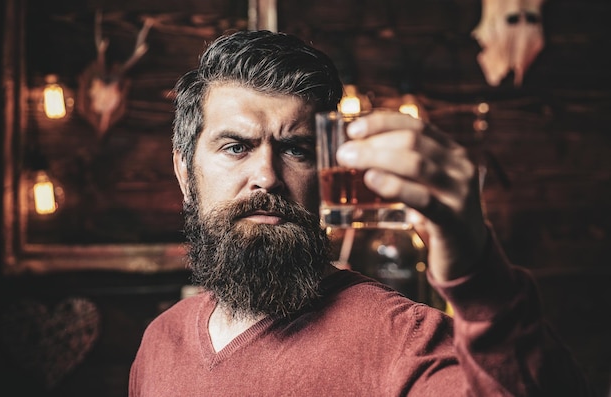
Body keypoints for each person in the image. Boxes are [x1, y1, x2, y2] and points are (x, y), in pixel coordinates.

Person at [129, 30, 592, 396]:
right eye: (235, 147)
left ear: (328, 169)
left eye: (296, 150)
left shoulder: (404, 340)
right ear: (185, 173)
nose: (267, 176)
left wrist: (478, 271)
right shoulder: (158, 343)